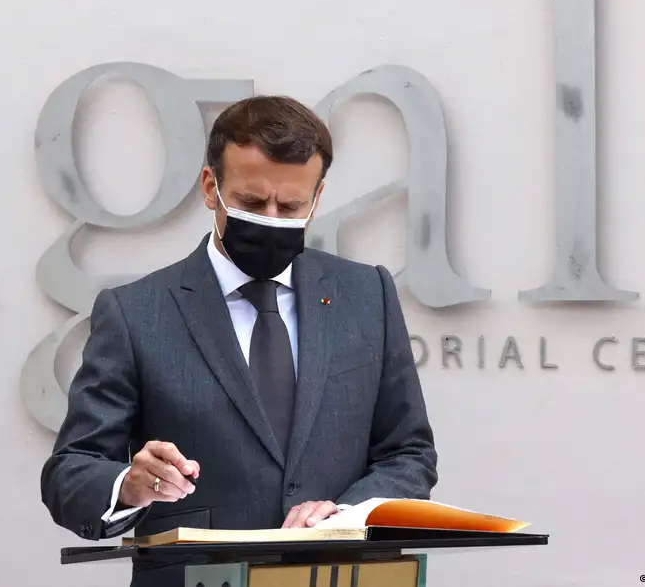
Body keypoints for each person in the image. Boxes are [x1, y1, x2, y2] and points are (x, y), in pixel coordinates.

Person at [40, 95, 438, 587]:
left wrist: (348, 514)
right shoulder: (136, 313)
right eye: (251, 202)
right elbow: (71, 471)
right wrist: (129, 485)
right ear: (211, 187)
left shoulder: (367, 294)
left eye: (290, 206)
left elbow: (408, 453)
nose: (271, 217)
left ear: (316, 200)